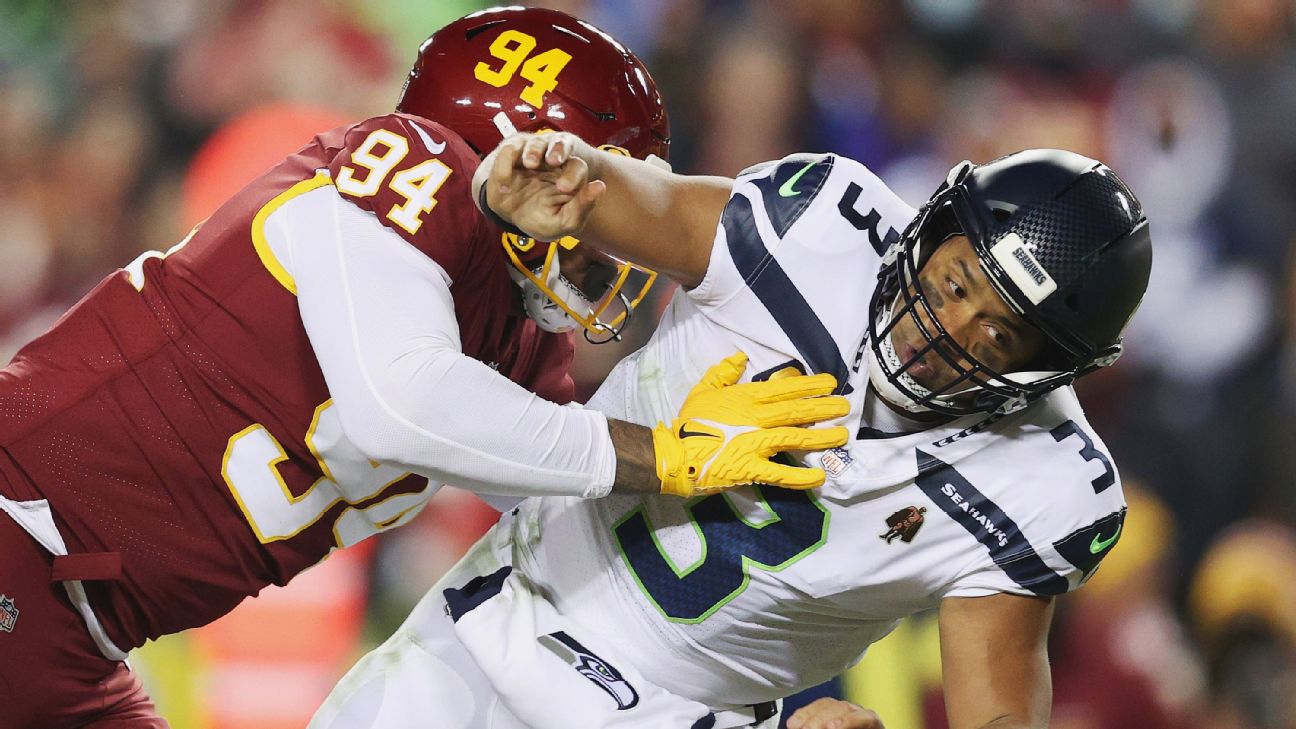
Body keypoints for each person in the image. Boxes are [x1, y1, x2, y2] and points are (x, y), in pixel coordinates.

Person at [0, 9, 850, 729]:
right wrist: (661, 449)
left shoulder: (520, 346)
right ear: (522, 158)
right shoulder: (408, 164)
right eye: (599, 189)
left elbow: (603, 567)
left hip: (80, 635)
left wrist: (774, 710)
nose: (619, 237)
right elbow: (400, 402)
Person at [307, 132, 1151, 729]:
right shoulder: (821, 230)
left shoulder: (1041, 483)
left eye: (998, 334)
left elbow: (997, 704)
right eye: (957, 280)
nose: (946, 328)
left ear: (1045, 374)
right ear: (931, 231)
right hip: (494, 616)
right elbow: (642, 201)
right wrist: (571, 177)